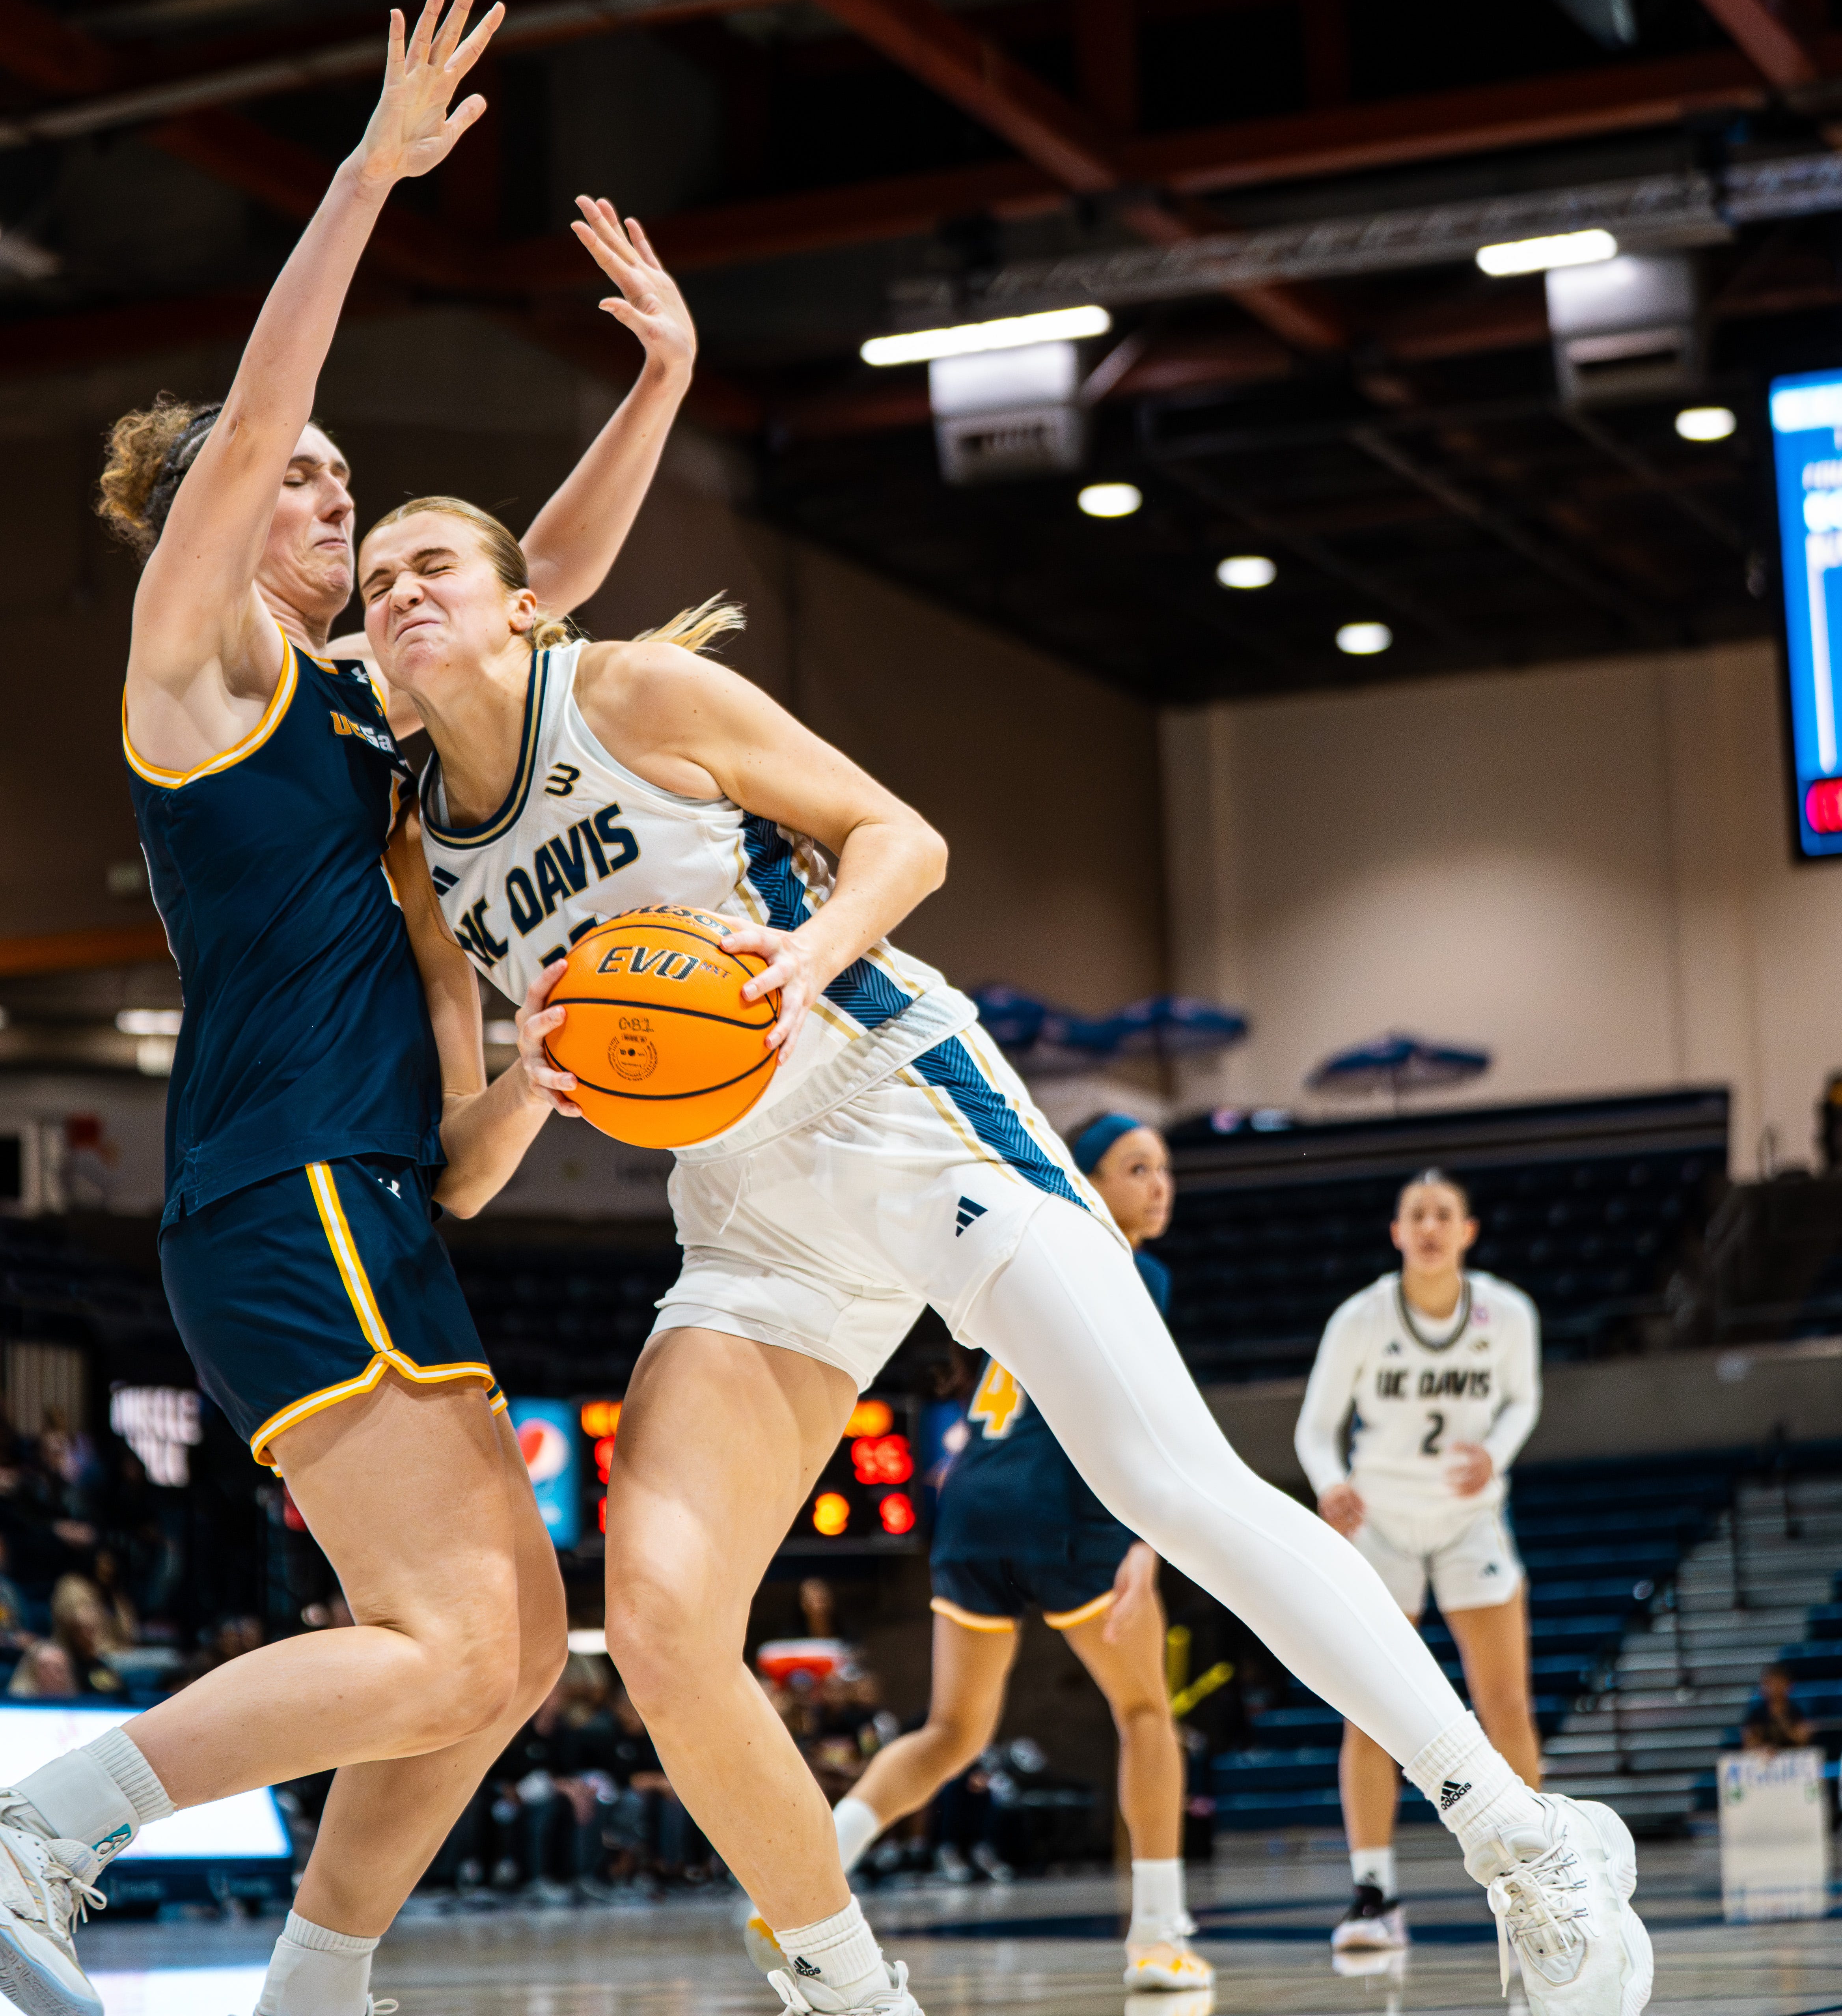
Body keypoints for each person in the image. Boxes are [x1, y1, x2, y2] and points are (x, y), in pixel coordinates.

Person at [360, 529, 1653, 2016]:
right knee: (658, 1620)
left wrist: (806, 954)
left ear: (524, 602)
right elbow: (463, 1171)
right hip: (743, 1211)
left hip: (896, 1101)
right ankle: (855, 1992)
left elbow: (902, 839)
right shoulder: (421, 849)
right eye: (376, 581)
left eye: (432, 562)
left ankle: (1520, 1837)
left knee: (1167, 1484)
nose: (400, 591)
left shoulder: (631, 694)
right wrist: (533, 1081)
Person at [0, 0, 697, 2016]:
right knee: (452, 1637)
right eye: (299, 479)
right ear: (216, 514)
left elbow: (528, 588)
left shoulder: (359, 716)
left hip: (373, 1194)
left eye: (339, 474)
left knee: (514, 1647)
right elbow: (256, 409)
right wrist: (366, 182)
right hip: (279, 1184)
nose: (332, 494)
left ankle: (320, 1985)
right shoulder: (193, 664)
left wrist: (660, 383)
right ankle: (48, 1824)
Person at [832, 1113, 1209, 1989]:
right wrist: (1148, 1535)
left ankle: (807, 1874)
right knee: (1145, 1715)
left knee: (951, 1731)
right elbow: (1139, 1410)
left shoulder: (1016, 1248)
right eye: (1136, 1168)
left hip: (969, 1502)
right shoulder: (1131, 1267)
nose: (1158, 1184)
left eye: (1163, 1168)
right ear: (1088, 1183)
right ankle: (1157, 1938)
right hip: (1061, 1502)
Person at [1294, 1170, 1543, 1961]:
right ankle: (1373, 1892)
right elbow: (1314, 1428)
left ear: (1467, 1231)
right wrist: (1329, 1483)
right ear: (1396, 1233)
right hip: (1381, 1523)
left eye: (1444, 1214)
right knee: (1370, 1711)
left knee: (1504, 1703)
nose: (1430, 1226)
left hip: (1470, 1520)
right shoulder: (1360, 1318)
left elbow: (1523, 1400)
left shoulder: (1508, 1313)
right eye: (1416, 1215)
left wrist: (1495, 1454)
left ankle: (1537, 1878)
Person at [1742, 1665, 1813, 1751]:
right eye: (1770, 1683)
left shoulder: (1796, 1712)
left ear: (1789, 1685)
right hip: (1763, 1757)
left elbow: (1803, 1740)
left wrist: (1784, 1723)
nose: (1775, 1687)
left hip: (1792, 1755)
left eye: (1779, 1682)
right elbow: (1749, 1743)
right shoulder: (1757, 1714)